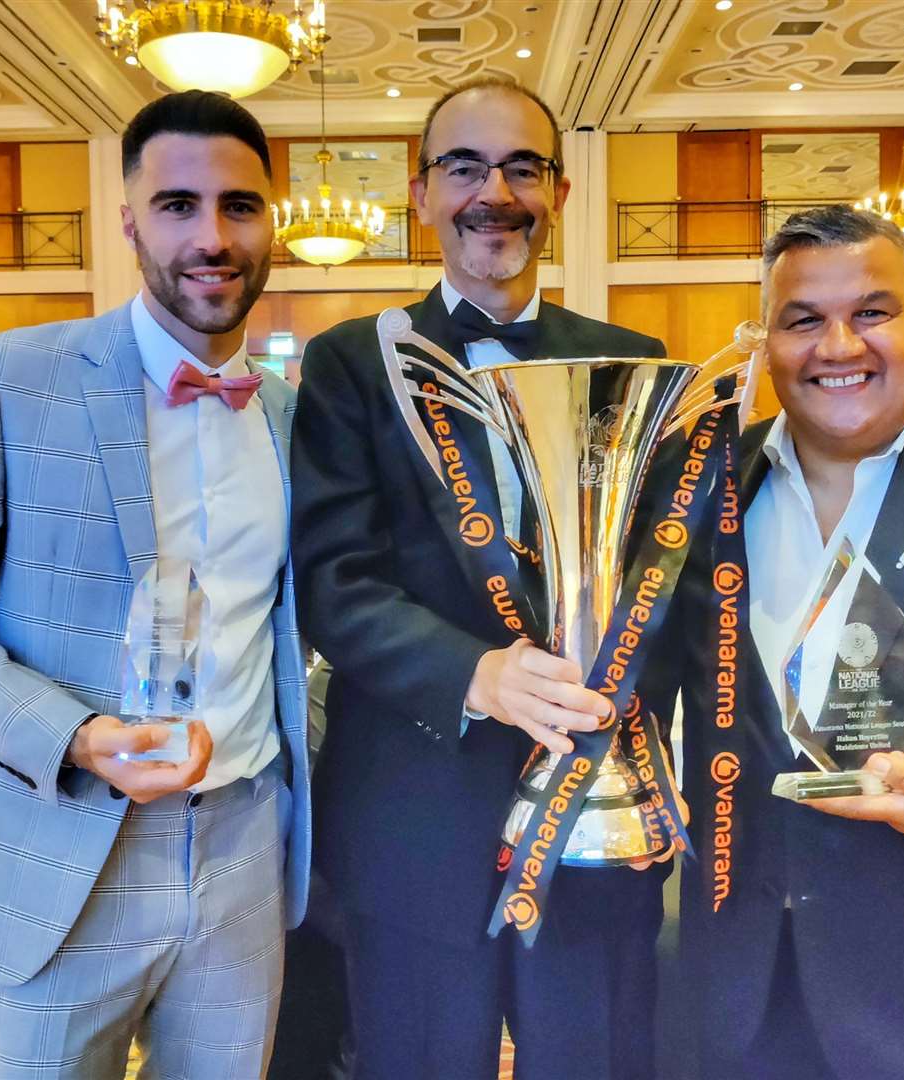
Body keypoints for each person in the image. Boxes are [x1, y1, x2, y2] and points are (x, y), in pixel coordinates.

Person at [290, 78, 671, 1080]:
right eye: (462, 166)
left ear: (562, 189)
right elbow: (333, 579)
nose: (491, 191)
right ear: (419, 194)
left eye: (520, 167)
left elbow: (670, 578)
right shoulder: (349, 366)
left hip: (598, 816)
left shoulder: (636, 365)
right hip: (412, 821)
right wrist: (479, 675)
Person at [0, 90, 310, 1079]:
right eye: (177, 204)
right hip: (57, 848)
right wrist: (77, 737)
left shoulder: (291, 413)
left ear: (273, 217)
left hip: (241, 853)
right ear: (128, 220)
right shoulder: (6, 381)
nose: (212, 236)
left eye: (240, 205)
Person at [651, 204, 904, 1080]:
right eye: (804, 320)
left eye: (873, 312)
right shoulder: (699, 489)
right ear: (767, 342)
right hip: (735, 994)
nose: (839, 347)